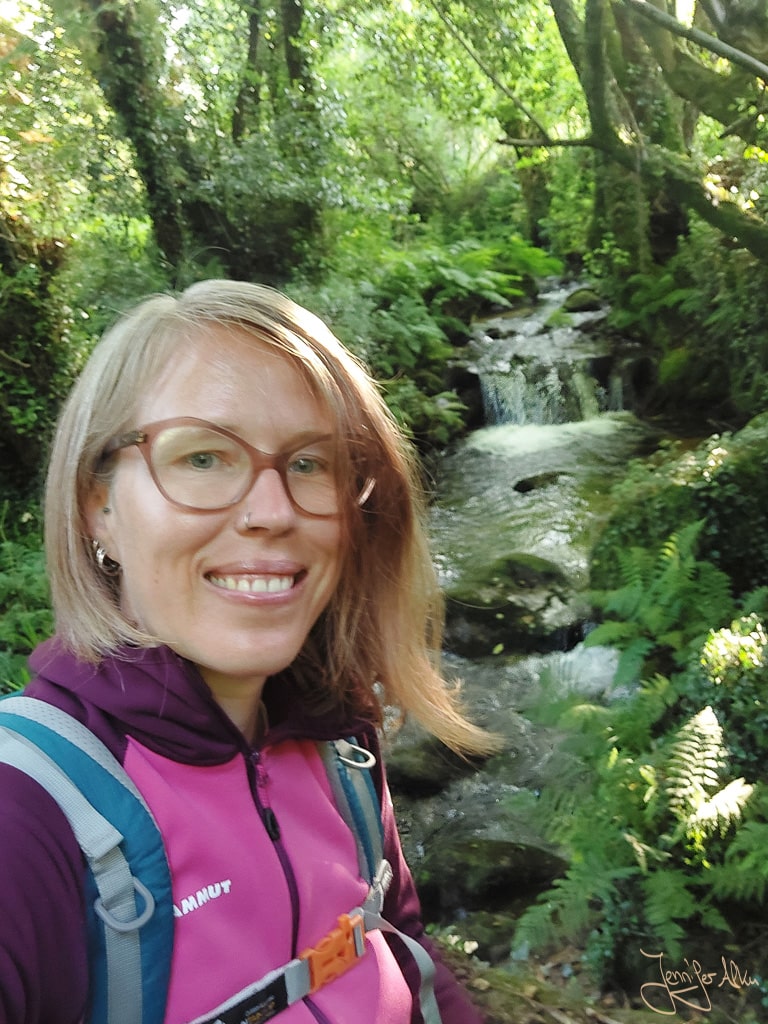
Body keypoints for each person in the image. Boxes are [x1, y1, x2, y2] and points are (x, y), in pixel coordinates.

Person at [0, 280, 495, 1024]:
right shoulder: (24, 815)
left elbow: (401, 947)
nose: (273, 513)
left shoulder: (341, 743)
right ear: (95, 506)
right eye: (203, 458)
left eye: (309, 463)